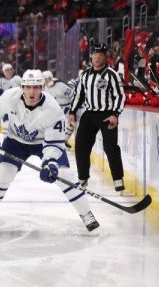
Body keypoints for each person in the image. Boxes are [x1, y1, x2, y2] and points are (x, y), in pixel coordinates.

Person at [0, 69, 99, 232]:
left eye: (36, 87)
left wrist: (50, 163)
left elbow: (54, 143)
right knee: (2, 173)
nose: (31, 91)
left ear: (42, 88)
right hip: (15, 141)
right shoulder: (9, 97)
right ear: (22, 87)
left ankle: (86, 214)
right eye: (27, 87)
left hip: (45, 144)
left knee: (64, 176)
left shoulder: (53, 109)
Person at [68, 42, 126, 191]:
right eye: (94, 55)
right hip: (89, 114)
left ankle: (118, 179)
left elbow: (120, 96)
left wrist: (115, 114)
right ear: (91, 56)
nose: (97, 58)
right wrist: (72, 112)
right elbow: (78, 95)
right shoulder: (85, 75)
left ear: (105, 57)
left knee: (110, 147)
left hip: (107, 115)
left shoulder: (111, 74)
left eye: (100, 55)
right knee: (81, 146)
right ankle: (83, 178)